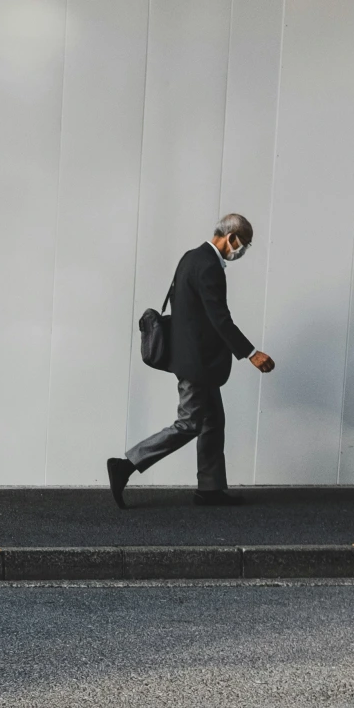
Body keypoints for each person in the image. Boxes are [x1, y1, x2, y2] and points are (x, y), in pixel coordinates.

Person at [109, 214, 274, 508]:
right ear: (231, 237)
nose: (242, 251)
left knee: (213, 422)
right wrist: (251, 353)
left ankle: (210, 489)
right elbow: (220, 318)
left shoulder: (191, 257)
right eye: (243, 244)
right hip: (198, 362)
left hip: (195, 359)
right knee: (188, 424)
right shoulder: (209, 266)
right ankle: (126, 464)